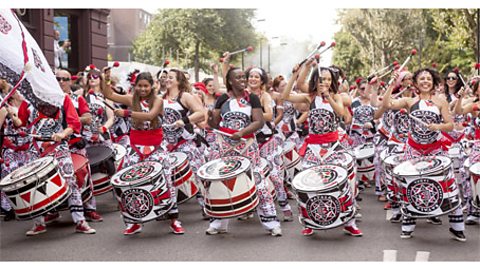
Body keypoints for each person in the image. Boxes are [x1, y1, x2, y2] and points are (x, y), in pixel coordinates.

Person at [382, 68, 466, 241]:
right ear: (415, 83)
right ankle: (408, 225)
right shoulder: (409, 101)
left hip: (436, 150)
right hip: (413, 150)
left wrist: (438, 127)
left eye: (428, 78)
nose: (425, 81)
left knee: (448, 185)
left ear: (433, 82)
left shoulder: (440, 101)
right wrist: (391, 84)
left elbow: (450, 125)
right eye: (422, 79)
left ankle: (457, 227)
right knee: (410, 185)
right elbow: (387, 104)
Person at [281, 62, 362, 237]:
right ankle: (310, 222)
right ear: (315, 80)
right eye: (320, 79)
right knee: (307, 185)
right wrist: (294, 75)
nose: (324, 82)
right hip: (313, 148)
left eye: (327, 79)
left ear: (332, 81)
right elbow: (285, 96)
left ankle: (349, 222)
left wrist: (329, 97)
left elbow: (340, 113)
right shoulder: (309, 98)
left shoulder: (337, 97)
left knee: (344, 182)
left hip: (334, 147)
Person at [102, 71, 185, 235]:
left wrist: (127, 113)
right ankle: (134, 222)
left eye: (146, 86)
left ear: (152, 86)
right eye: (139, 85)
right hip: (135, 147)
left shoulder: (158, 101)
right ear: (135, 86)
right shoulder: (130, 99)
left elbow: (150, 116)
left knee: (166, 181)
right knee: (129, 183)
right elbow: (108, 94)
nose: (142, 89)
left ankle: (174, 219)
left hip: (156, 147)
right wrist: (105, 79)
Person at [206, 66, 282, 236]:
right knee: (220, 182)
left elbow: (259, 122)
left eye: (243, 77)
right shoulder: (222, 99)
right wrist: (211, 118)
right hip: (225, 149)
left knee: (259, 182)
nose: (242, 80)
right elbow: (214, 124)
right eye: (238, 78)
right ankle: (219, 223)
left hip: (247, 147)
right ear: (230, 81)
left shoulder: (253, 98)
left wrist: (242, 133)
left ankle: (272, 223)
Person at [17, 94, 96, 236]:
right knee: (34, 183)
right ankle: (38, 223)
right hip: (35, 149)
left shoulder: (62, 98)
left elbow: (74, 123)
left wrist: (63, 133)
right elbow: (21, 123)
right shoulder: (26, 100)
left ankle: (80, 221)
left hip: (59, 147)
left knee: (70, 181)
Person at [43, 70, 103, 224]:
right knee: (51, 178)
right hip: (53, 145)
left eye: (65, 79)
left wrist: (72, 119)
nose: (61, 81)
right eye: (58, 79)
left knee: (83, 174)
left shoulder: (78, 99)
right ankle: (52, 210)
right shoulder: (47, 99)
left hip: (75, 143)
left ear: (70, 81)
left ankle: (90, 208)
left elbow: (88, 118)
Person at [161, 69, 207, 217]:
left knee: (196, 173)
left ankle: (205, 206)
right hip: (166, 143)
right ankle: (168, 209)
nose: (167, 80)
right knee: (166, 175)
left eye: (171, 78)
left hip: (185, 141)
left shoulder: (185, 96)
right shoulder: (160, 98)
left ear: (179, 81)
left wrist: (184, 120)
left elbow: (200, 113)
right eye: (166, 77)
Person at [454, 78, 480, 226]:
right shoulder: (475, 106)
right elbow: (458, 111)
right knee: (471, 175)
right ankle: (473, 211)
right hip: (477, 145)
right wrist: (460, 97)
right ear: (476, 91)